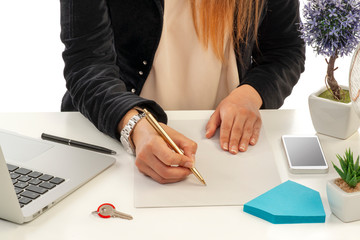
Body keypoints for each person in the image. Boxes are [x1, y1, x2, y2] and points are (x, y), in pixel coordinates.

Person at [60, 0, 305, 184]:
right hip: (117, 137)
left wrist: (249, 95)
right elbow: (86, 63)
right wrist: (134, 125)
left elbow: (284, 50)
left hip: (225, 146)